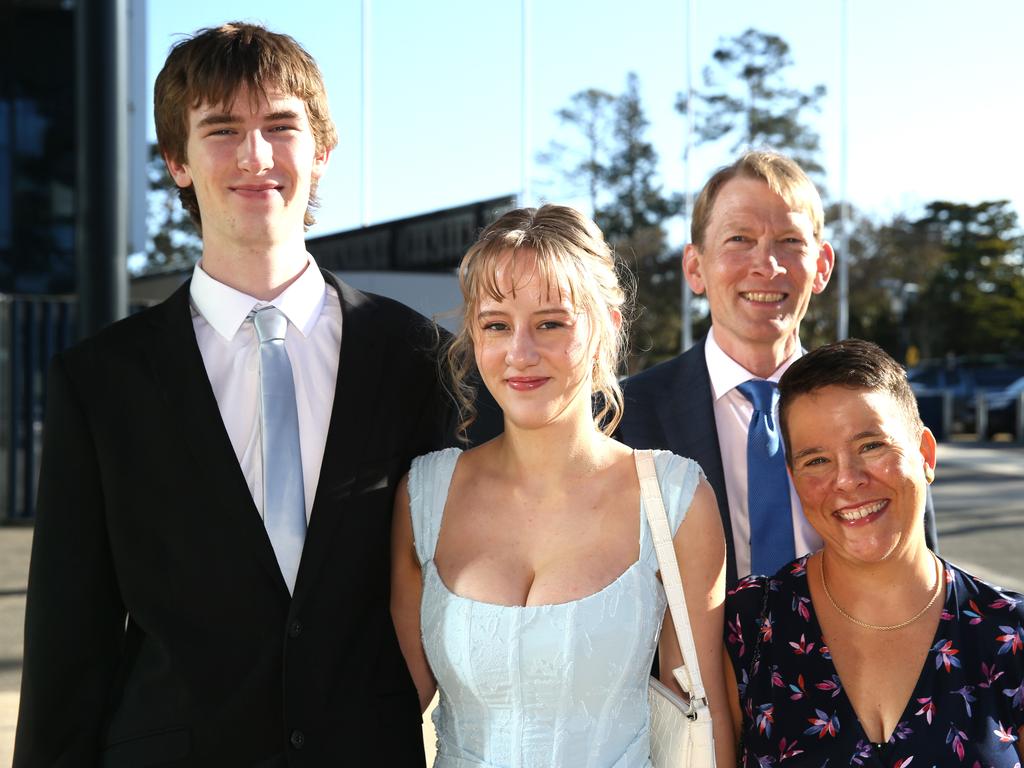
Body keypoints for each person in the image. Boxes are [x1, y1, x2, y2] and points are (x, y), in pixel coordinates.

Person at [14, 23, 444, 766]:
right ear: (177, 162)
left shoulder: (416, 357)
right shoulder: (100, 380)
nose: (255, 156)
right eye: (222, 130)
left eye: (281, 126)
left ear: (321, 151)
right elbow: (67, 645)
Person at [390, 204, 736, 767]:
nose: (520, 354)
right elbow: (389, 710)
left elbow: (706, 716)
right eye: (496, 324)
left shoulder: (673, 498)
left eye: (551, 323)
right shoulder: (424, 496)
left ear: (607, 326)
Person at [617, 150, 938, 585]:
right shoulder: (624, 416)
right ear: (695, 267)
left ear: (822, 266)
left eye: (790, 241)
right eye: (739, 239)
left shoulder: (878, 408)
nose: (766, 266)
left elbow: (921, 575)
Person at [724, 339, 1024, 766]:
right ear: (792, 478)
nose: (847, 480)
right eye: (817, 461)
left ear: (925, 454)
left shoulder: (1010, 634)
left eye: (871, 446)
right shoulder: (748, 624)